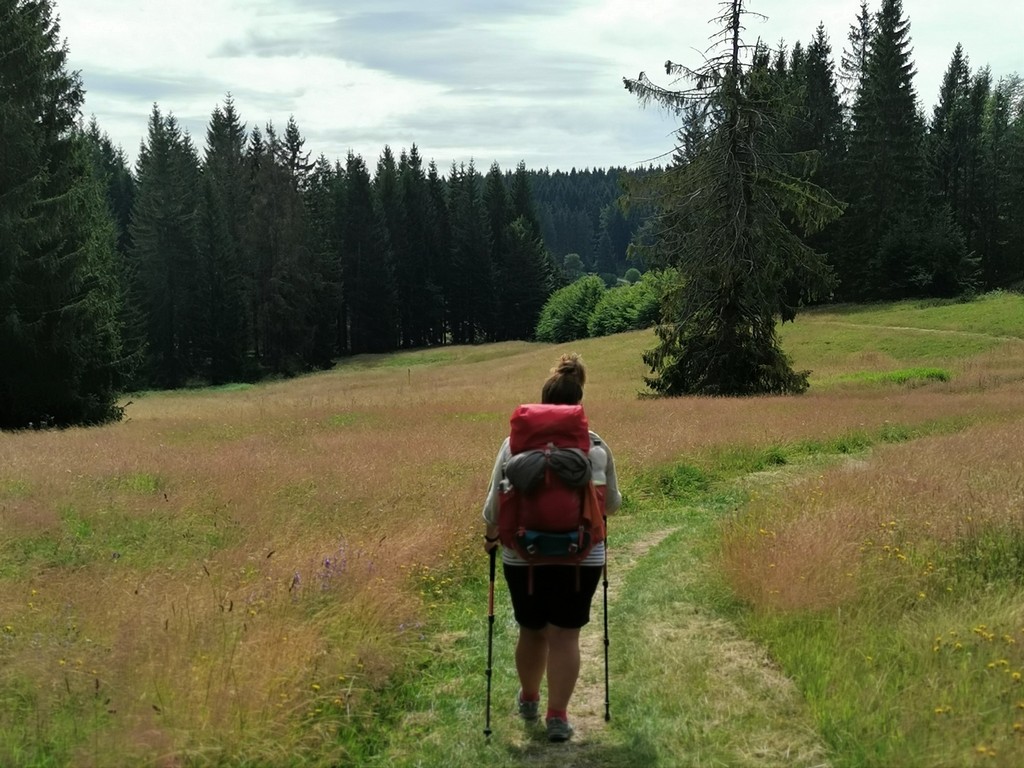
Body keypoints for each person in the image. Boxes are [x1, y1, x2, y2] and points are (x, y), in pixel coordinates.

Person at [482, 353, 622, 742]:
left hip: (522, 556)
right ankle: (557, 716)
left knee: (532, 630)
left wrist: (492, 537)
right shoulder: (595, 447)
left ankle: (528, 698)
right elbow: (610, 505)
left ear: (542, 402)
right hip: (581, 557)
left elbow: (493, 507)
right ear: (579, 403)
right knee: (565, 635)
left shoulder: (512, 446)